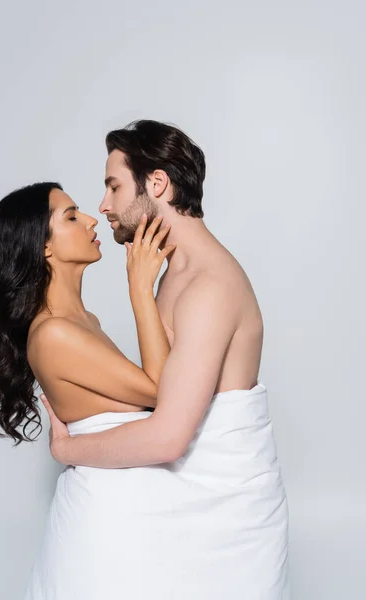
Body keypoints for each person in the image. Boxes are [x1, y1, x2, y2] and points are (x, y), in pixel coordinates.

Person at [39, 121, 289, 599]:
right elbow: (161, 389)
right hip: (185, 509)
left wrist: (68, 450)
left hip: (227, 525)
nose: (104, 206)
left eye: (114, 186)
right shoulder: (171, 275)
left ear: (156, 184)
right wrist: (140, 293)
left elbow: (170, 436)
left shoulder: (207, 287)